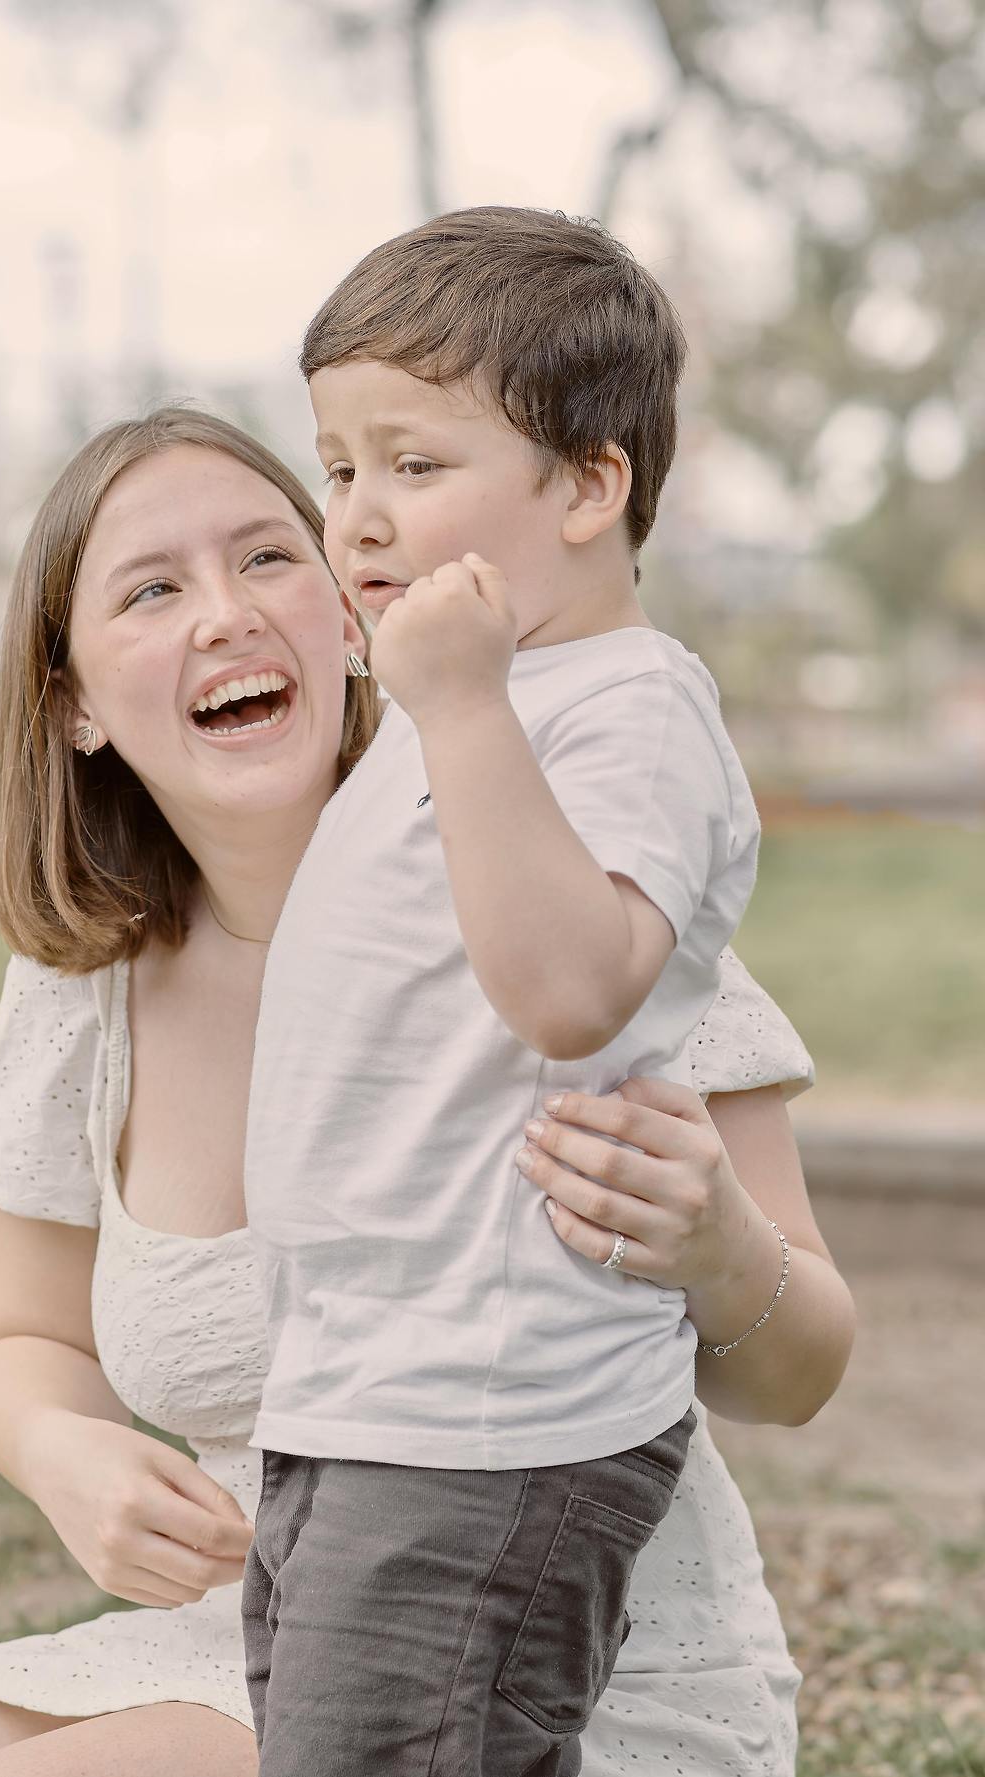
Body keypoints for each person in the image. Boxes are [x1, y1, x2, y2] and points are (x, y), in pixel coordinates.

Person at [0, 407, 853, 1777]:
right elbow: (25, 1339)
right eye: (152, 589)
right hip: (229, 1639)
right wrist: (64, 1453)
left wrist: (721, 1246)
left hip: (536, 1682)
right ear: (71, 699)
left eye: (267, 558)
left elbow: (804, 1369)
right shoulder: (91, 984)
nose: (226, 616)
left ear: (351, 613)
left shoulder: (564, 899)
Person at [239, 206, 843, 1775]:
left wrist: (458, 705)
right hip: (367, 1395)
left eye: (416, 467)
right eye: (339, 466)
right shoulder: (473, 709)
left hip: (489, 1413)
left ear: (590, 486)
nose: (358, 517)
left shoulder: (623, 706)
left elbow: (573, 988)